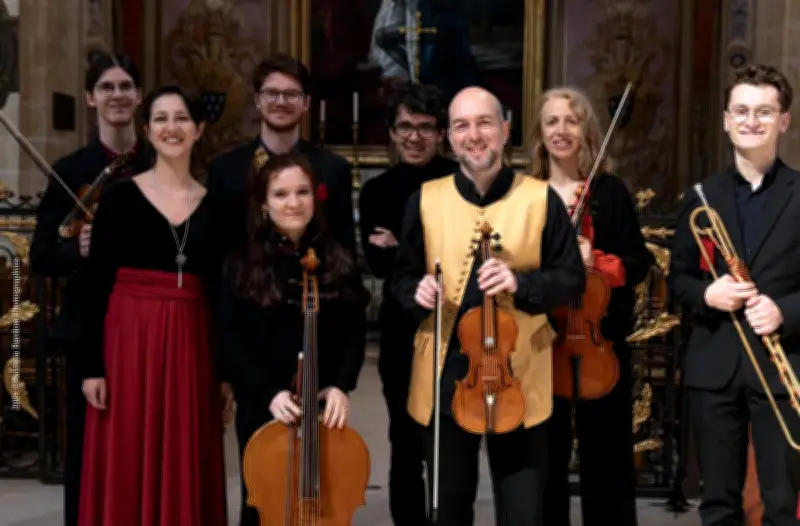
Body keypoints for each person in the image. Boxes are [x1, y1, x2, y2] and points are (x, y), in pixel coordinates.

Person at [391, 86, 586, 526]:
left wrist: (521, 282)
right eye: (462, 125)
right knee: (449, 507)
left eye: (484, 123)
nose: (473, 135)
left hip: (520, 373)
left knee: (522, 511)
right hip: (447, 372)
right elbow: (400, 278)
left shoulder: (540, 199)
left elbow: (571, 280)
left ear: (504, 131)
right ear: (450, 137)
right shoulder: (425, 200)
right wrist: (414, 291)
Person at [77, 85, 229, 526]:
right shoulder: (121, 199)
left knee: (186, 450)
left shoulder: (216, 206)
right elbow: (95, 286)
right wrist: (92, 367)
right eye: (161, 119)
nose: (171, 128)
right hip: (129, 342)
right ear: (146, 130)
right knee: (127, 451)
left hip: (190, 342)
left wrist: (223, 373)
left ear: (199, 130)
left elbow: (221, 295)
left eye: (181, 118)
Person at [669, 63, 800, 526]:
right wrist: (709, 294)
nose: (751, 121)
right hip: (715, 365)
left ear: (783, 120)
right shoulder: (702, 195)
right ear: (726, 119)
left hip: (780, 365)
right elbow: (678, 281)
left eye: (764, 111)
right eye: (741, 111)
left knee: (782, 504)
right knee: (719, 504)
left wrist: (784, 310)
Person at [28, 53, 151, 526]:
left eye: (125, 86)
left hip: (145, 321)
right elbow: (41, 253)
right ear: (90, 98)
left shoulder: (159, 161)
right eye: (106, 87)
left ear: (139, 96)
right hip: (89, 326)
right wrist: (76, 248)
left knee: (142, 442)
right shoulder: (70, 169)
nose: (117, 95)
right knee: (87, 444)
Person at [217, 153, 369, 526]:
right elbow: (229, 338)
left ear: (315, 199)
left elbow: (354, 332)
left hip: (320, 400)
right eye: (281, 194)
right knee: (263, 500)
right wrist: (269, 392)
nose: (293, 202)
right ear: (265, 204)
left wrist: (339, 386)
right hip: (264, 402)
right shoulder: (243, 261)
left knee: (325, 493)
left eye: (302, 192)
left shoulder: (336, 259)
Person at [530, 87, 653, 526]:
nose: (561, 130)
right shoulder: (527, 194)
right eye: (552, 122)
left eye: (572, 121)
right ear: (539, 133)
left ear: (587, 130)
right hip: (543, 345)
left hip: (599, 342)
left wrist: (594, 261)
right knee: (546, 465)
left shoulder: (610, 192)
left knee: (608, 462)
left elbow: (638, 262)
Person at [358, 82, 457, 526]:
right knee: (405, 442)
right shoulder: (376, 190)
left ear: (440, 134)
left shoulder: (459, 184)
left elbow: (465, 260)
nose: (414, 136)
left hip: (456, 331)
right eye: (405, 127)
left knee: (451, 444)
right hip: (401, 333)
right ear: (392, 134)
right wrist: (425, 254)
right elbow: (380, 265)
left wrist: (404, 248)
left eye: (424, 127)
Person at [207, 52, 356, 256]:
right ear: (258, 101)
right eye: (271, 93)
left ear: (306, 103)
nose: (281, 102)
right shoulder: (225, 170)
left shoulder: (333, 170)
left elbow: (344, 252)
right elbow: (215, 254)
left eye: (291, 94)